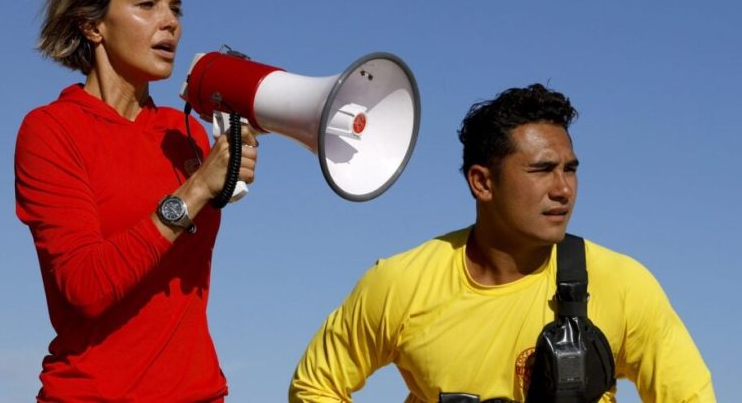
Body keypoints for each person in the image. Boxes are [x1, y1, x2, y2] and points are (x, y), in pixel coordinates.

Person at [289, 84, 715, 402]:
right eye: (542, 170)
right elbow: (314, 387)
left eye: (570, 169)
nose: (563, 189)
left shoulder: (623, 285)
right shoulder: (401, 283)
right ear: (483, 182)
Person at [14, 0, 258, 402]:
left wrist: (226, 171)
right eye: (147, 5)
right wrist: (197, 189)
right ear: (93, 25)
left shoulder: (184, 135)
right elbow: (85, 288)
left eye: (176, 9)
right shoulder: (51, 131)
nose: (170, 23)